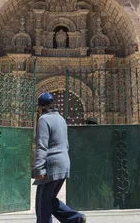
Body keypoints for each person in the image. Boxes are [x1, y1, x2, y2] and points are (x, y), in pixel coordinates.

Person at [33, 92, 86, 223]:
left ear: (42, 107)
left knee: (42, 203)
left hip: (51, 166)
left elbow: (42, 146)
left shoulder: (44, 119)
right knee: (49, 199)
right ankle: (76, 218)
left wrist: (39, 169)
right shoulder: (61, 119)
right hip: (63, 163)